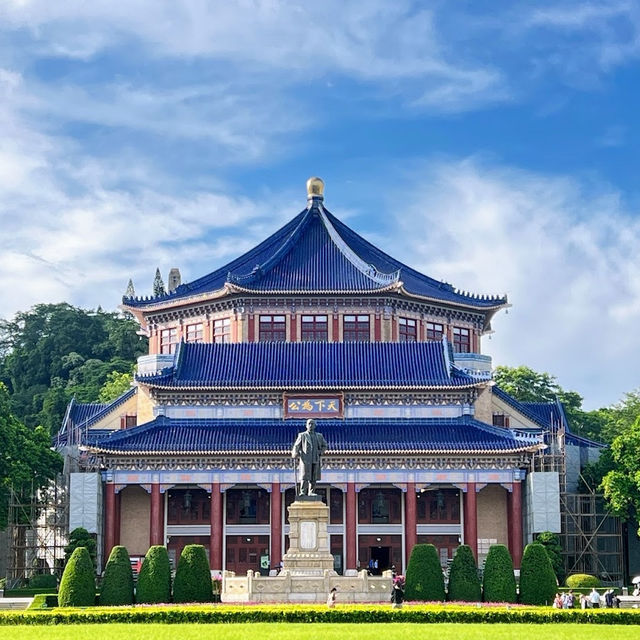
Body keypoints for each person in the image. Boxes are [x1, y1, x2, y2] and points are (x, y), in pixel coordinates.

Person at [292, 418, 328, 496]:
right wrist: (295, 453)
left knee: (313, 476)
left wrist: (320, 452)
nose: (311, 425)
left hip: (315, 458)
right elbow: (296, 446)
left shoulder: (319, 436)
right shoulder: (302, 435)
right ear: (306, 425)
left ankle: (311, 491)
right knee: (304, 476)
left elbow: (324, 445)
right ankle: (302, 492)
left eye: (312, 424)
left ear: (315, 426)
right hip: (305, 459)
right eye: (309, 424)